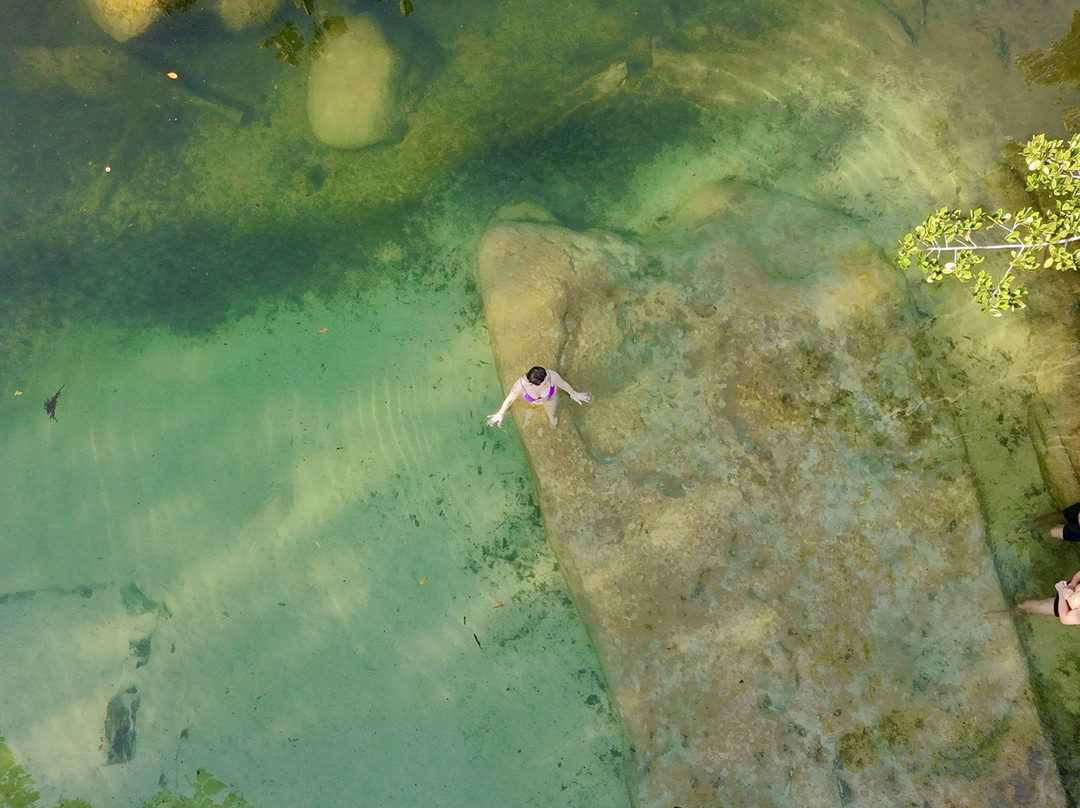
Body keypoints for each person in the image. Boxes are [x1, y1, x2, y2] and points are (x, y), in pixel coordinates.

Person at [486, 366, 591, 428]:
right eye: (544, 384)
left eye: (547, 380)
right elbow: (510, 399)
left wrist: (574, 394)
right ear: (533, 384)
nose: (548, 382)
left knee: (552, 413)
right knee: (537, 403)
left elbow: (563, 384)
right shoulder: (520, 386)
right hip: (535, 401)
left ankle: (551, 417)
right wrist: (500, 413)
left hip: (550, 398)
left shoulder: (551, 376)